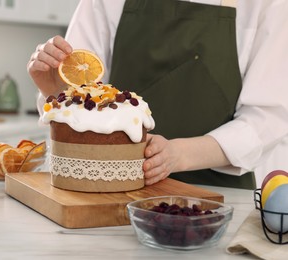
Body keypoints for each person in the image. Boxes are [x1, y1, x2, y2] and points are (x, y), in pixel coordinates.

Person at [28, 0, 288, 189]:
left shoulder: (269, 5)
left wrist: (177, 154)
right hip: (110, 190)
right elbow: (84, 93)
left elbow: (266, 119)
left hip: (217, 197)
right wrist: (54, 90)